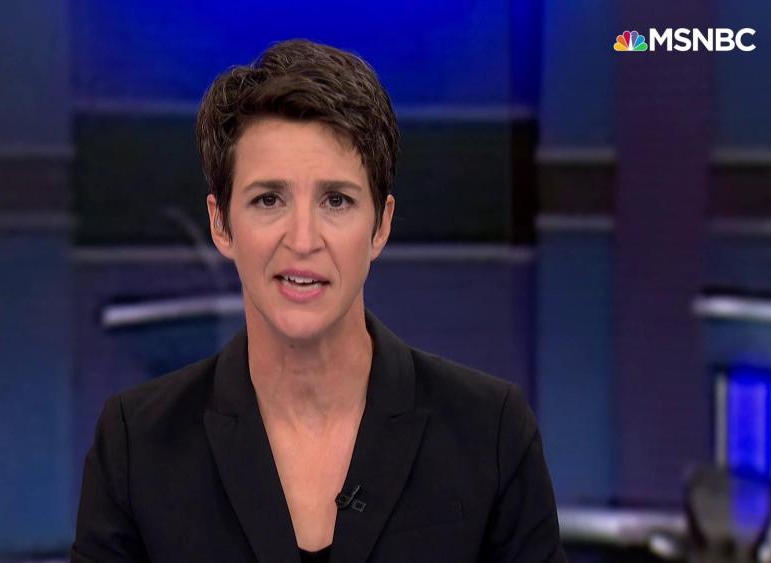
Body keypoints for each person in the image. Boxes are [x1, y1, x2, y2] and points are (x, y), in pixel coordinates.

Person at [71, 38, 566, 563]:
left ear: (381, 225)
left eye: (336, 200)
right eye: (269, 199)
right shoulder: (136, 445)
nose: (303, 240)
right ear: (221, 223)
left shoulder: (491, 432)